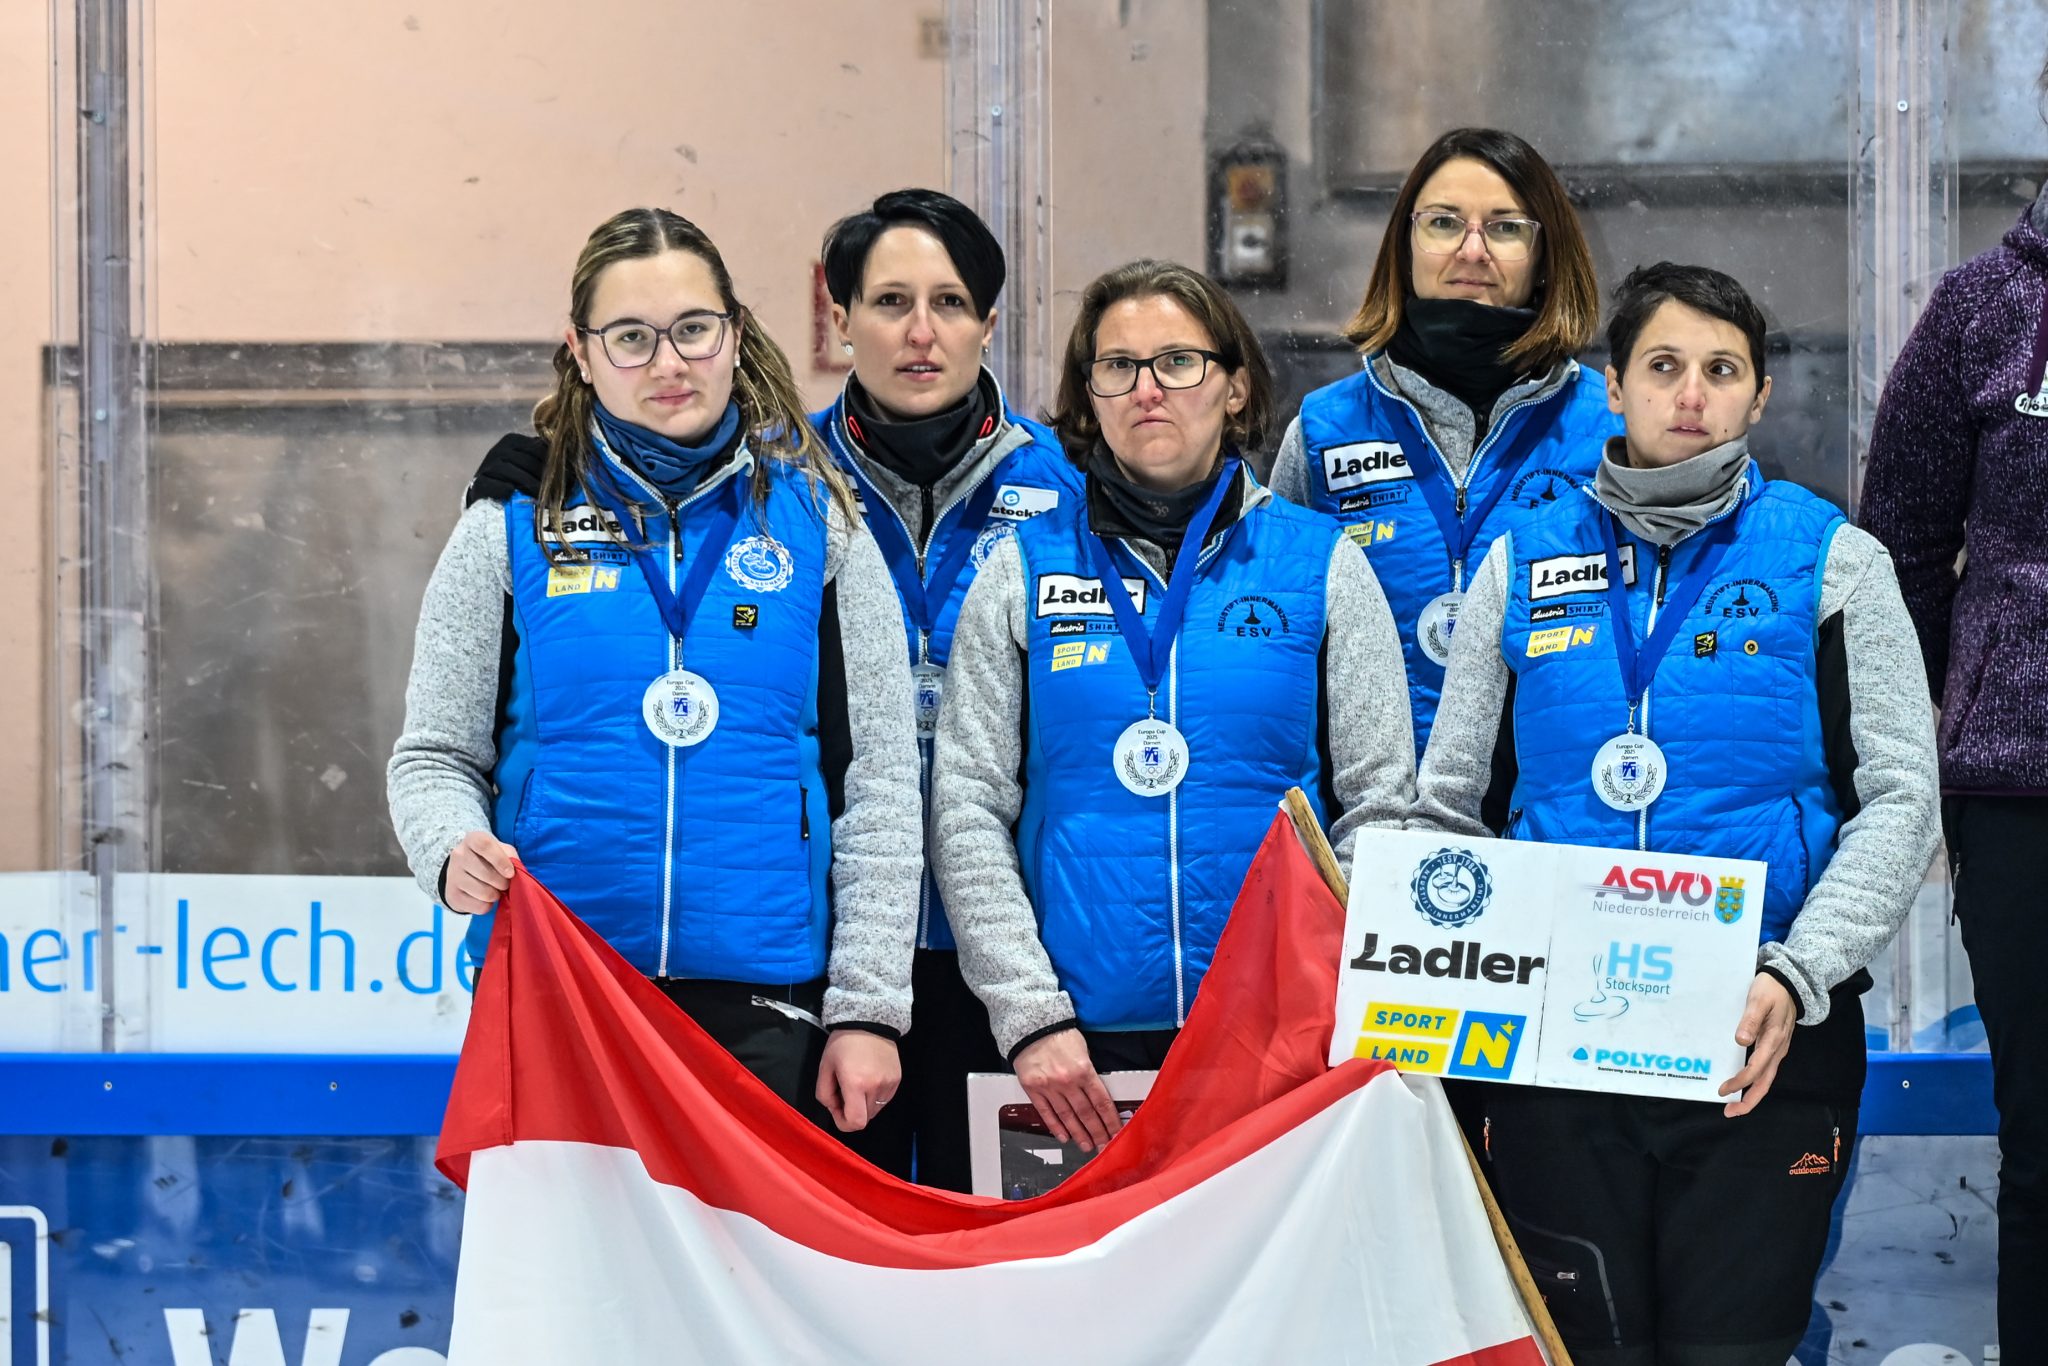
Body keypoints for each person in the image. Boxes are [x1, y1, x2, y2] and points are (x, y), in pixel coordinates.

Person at [1412, 262, 1939, 1364]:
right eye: (1662, 366)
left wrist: (1795, 971)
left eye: (1718, 370)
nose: (1687, 393)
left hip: (1759, 1041)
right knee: (1581, 1346)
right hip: (1559, 1052)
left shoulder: (1832, 561)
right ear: (1613, 387)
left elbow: (1898, 799)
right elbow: (1447, 807)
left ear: (1755, 397)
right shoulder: (1519, 563)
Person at [388, 207, 922, 1137]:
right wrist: (446, 847)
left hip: (766, 1001)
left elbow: (877, 781)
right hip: (559, 988)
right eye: (631, 338)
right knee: (568, 1284)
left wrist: (868, 1006)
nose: (669, 363)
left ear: (735, 334)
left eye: (692, 330)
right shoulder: (510, 522)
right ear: (581, 352)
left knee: (733, 1283)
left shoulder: (822, 527)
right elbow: (433, 754)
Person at [932, 259, 1416, 1153]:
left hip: (1277, 1041)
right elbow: (967, 804)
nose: (1146, 389)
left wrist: (1328, 1002)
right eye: (1116, 367)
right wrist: (1030, 1017)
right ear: (1089, 395)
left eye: (1177, 362)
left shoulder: (1322, 564)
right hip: (1078, 1051)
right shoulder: (1022, 569)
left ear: (1234, 386)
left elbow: (1382, 804)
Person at [809, 189, 1084, 1188]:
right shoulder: (783, 488)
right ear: (837, 319)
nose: (919, 332)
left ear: (988, 324)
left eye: (949, 302)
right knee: (847, 1261)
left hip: (1016, 961)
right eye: (888, 302)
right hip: (835, 954)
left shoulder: (1070, 488)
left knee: (1013, 1268)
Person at [1859, 55, 2048, 1344]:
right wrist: (1935, 746)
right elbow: (1899, 547)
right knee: (2042, 1136)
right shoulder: (1983, 308)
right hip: (2020, 792)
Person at [1271, 126, 1617, 767]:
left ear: (1546, 257)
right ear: (1404, 245)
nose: (1472, 250)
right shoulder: (1324, 434)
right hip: (1369, 821)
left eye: (1507, 228)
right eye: (1443, 223)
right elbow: (1281, 649)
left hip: (1552, 817)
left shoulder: (1612, 431)